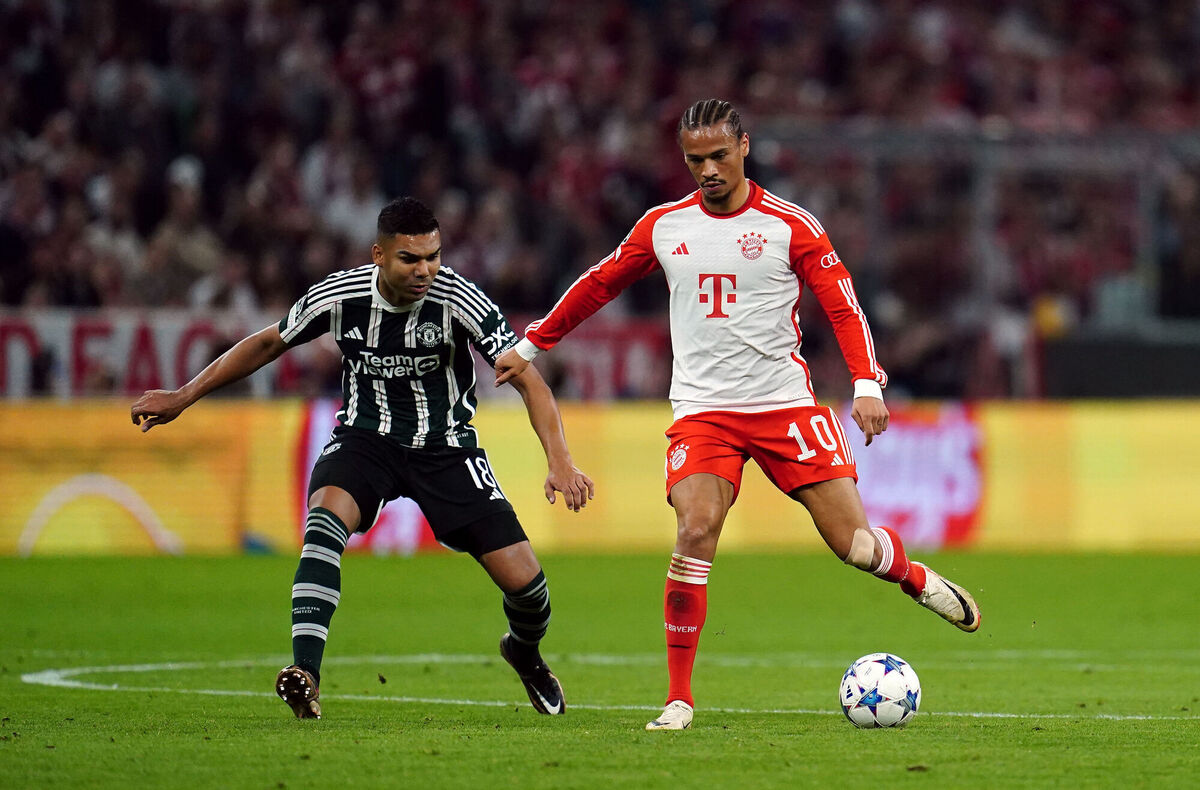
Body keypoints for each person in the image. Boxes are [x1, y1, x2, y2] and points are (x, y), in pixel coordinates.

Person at [494, 99, 980, 731]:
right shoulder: (663, 226)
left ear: (744, 146)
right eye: (695, 159)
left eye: (719, 155)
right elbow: (600, 282)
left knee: (858, 548)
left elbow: (842, 303)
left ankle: (912, 576)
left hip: (785, 407)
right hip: (704, 414)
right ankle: (678, 697)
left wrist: (866, 382)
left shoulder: (790, 226)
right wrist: (532, 343)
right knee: (695, 530)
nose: (708, 170)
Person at [132, 196, 594, 719]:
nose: (425, 271)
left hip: (444, 446)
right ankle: (306, 673)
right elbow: (266, 345)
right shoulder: (338, 297)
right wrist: (183, 396)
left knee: (528, 587)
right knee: (325, 520)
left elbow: (530, 380)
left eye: (434, 257)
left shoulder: (459, 299)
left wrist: (561, 461)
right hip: (365, 439)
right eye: (410, 259)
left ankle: (524, 654)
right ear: (379, 255)